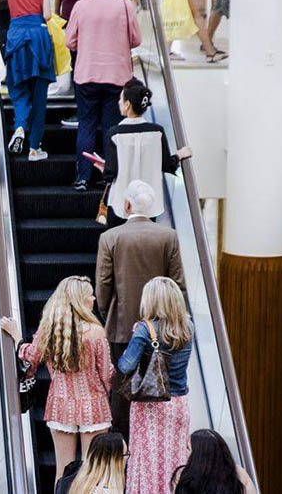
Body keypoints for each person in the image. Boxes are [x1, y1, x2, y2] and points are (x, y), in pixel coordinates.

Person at [0, 276, 113, 488]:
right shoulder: (96, 331)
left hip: (61, 405)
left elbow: (30, 358)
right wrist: (105, 391)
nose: (94, 299)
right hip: (94, 406)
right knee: (92, 471)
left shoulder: (49, 330)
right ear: (79, 300)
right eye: (89, 295)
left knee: (62, 470)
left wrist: (17, 337)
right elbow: (107, 374)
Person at [95, 180, 185, 439]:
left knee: (121, 391)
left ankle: (123, 448)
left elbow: (103, 285)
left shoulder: (110, 237)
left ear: (125, 205)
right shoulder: (169, 237)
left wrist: (107, 315)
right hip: (162, 328)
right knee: (157, 386)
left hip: (122, 328)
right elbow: (177, 283)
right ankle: (152, 443)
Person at [118, 277, 194, 494]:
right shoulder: (189, 327)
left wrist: (136, 337)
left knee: (147, 460)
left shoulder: (144, 329)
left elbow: (125, 366)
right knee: (175, 458)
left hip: (151, 406)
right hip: (179, 404)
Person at [66, 0, 141, 191]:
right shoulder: (126, 6)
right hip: (117, 75)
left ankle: (83, 177)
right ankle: (109, 176)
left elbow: (70, 42)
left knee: (86, 125)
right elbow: (136, 40)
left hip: (87, 74)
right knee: (111, 127)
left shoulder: (81, 6)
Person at [102, 78, 193, 228]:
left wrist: (102, 169)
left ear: (127, 105)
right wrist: (180, 155)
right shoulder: (157, 132)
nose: (118, 102)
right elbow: (167, 165)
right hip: (149, 204)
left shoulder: (114, 134)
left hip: (121, 201)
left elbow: (111, 172)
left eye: (121, 99)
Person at [0, 0, 56, 162]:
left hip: (17, 35)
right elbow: (47, 15)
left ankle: (20, 127)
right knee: (39, 96)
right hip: (38, 35)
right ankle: (34, 148)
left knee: (19, 90)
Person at [171, 429, 258, 494]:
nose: (185, 452)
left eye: (188, 448)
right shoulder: (238, 473)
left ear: (199, 456)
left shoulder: (183, 475)